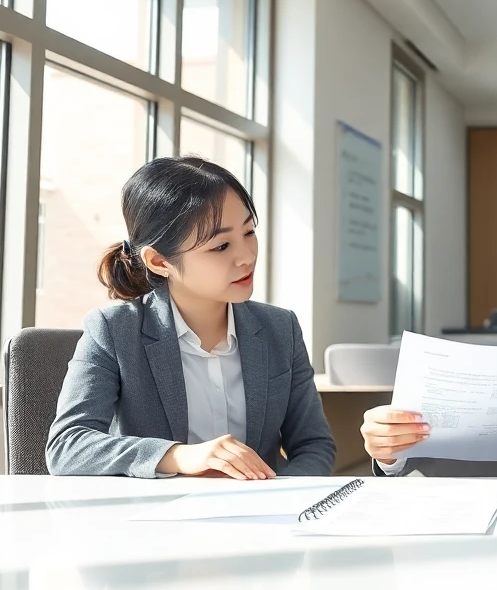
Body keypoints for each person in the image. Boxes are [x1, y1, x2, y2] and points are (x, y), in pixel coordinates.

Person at [46, 157, 336, 478]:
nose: (247, 256)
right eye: (221, 245)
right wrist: (178, 456)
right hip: (157, 520)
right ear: (159, 261)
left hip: (262, 518)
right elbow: (67, 447)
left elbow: (314, 445)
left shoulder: (280, 328)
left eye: (249, 231)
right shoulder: (114, 330)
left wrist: (280, 497)